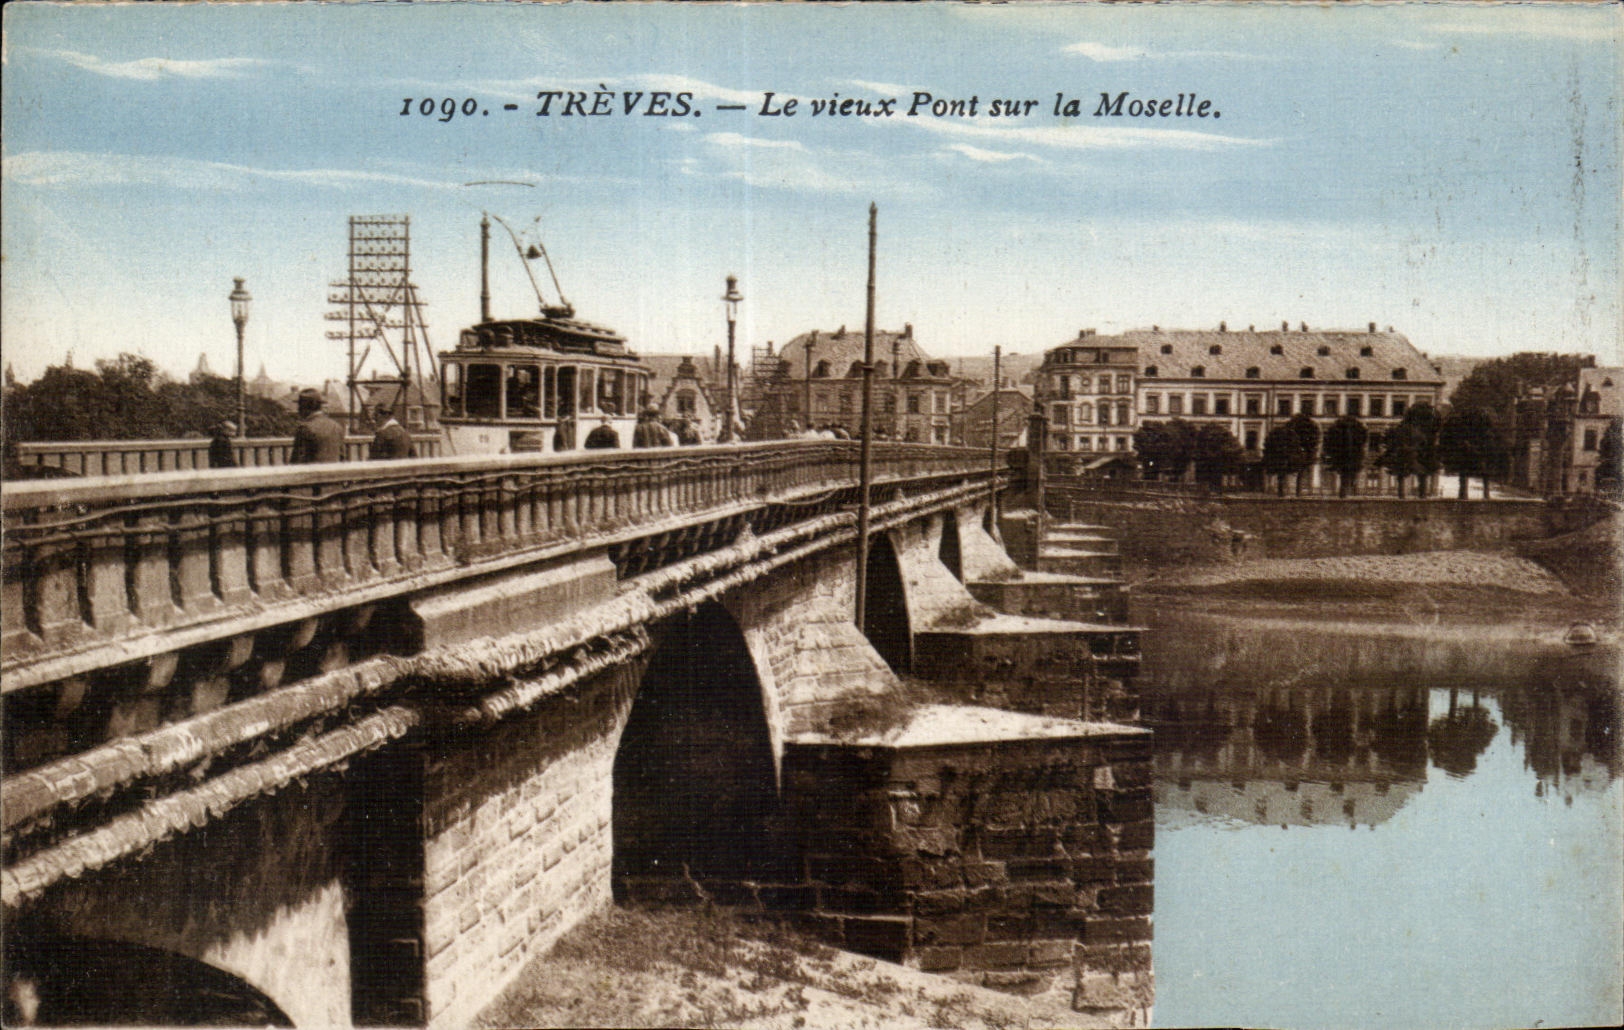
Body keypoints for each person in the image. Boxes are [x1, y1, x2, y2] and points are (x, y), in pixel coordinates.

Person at [289, 388, 345, 464]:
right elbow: (343, 457)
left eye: (300, 405)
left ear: (305, 407)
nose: (298, 409)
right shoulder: (337, 427)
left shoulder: (305, 428)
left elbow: (296, 461)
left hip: (311, 474)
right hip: (335, 474)